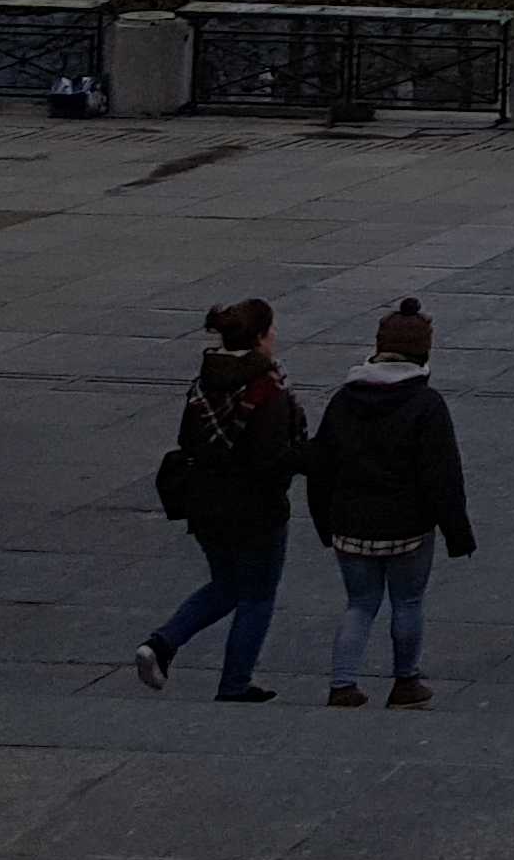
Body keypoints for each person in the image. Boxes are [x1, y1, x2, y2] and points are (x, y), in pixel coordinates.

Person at [135, 297, 307, 702]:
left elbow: (188, 439)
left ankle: (161, 645)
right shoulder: (268, 387)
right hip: (255, 509)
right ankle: (234, 683)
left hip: (206, 504)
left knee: (226, 583)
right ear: (263, 337)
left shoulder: (205, 380)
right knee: (258, 595)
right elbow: (272, 459)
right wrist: (312, 458)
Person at [307, 298, 476, 708]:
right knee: (408, 601)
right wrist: (458, 533)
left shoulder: (344, 399)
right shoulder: (426, 405)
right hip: (407, 526)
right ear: (424, 352)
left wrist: (323, 523)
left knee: (360, 604)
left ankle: (342, 684)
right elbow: (442, 477)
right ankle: (405, 683)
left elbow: (321, 466)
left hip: (349, 523)